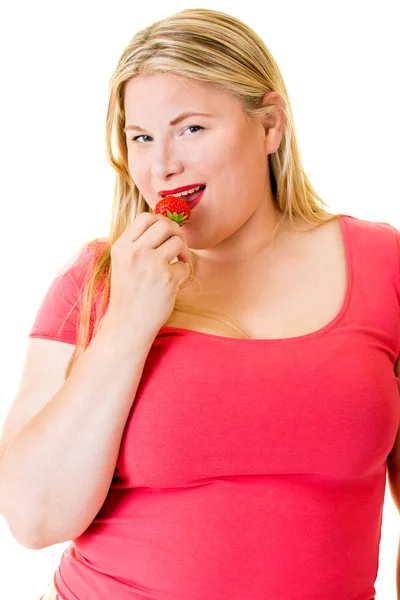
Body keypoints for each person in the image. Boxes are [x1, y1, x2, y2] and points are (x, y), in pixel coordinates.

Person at [0, 7, 399, 600]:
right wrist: (131, 319)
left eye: (191, 129)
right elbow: (34, 520)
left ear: (270, 126)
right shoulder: (98, 281)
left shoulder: (384, 263)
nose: (163, 165)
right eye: (142, 138)